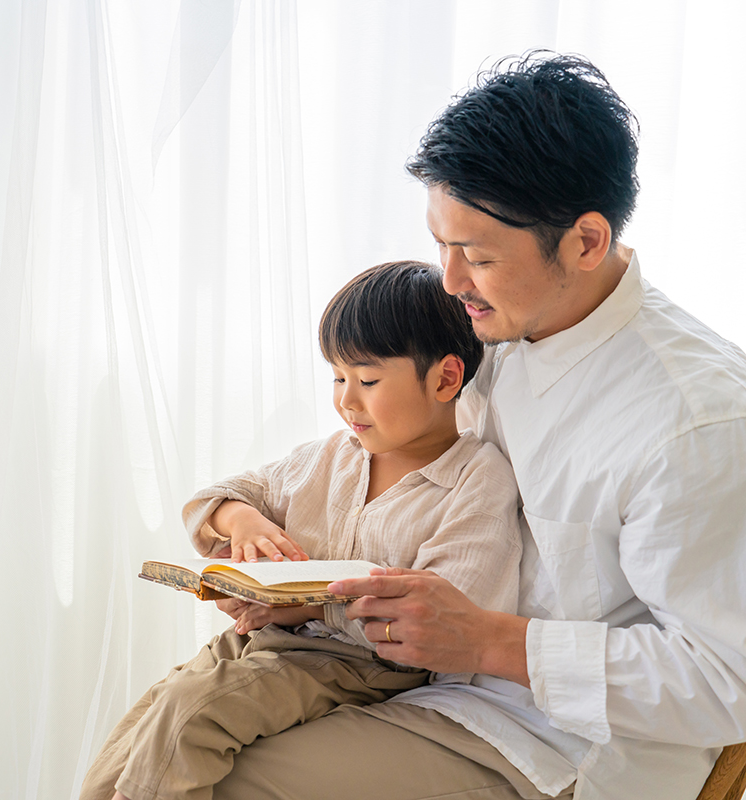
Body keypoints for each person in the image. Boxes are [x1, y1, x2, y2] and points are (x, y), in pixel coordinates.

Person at [208, 53, 746, 800]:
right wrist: (286, 578)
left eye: (478, 256)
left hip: (561, 743)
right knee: (173, 740)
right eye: (442, 245)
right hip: (420, 682)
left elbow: (730, 680)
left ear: (587, 241)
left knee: (228, 781)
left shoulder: (695, 420)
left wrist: (495, 641)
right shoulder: (485, 331)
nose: (451, 280)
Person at [80, 260, 524, 800]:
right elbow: (211, 500)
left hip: (354, 663)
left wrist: (309, 608)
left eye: (367, 379)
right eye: (337, 378)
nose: (345, 400)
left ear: (445, 378)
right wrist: (244, 523)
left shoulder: (476, 480)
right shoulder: (331, 456)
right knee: (131, 743)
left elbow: (449, 615)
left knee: (190, 716)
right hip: (262, 640)